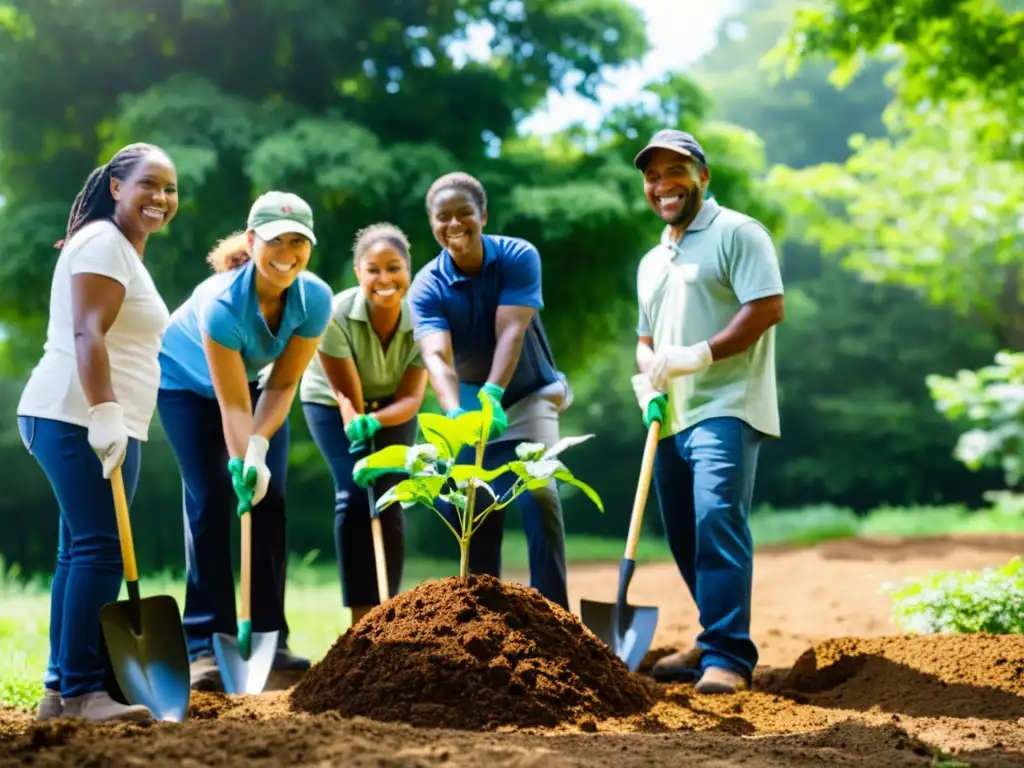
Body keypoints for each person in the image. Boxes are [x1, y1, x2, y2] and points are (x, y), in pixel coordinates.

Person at [16, 143, 179, 722]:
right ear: (115, 187)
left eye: (170, 189)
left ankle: (61, 692)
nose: (160, 198)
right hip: (75, 414)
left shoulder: (122, 251)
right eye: (148, 185)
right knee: (99, 548)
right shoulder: (105, 243)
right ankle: (85, 691)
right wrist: (105, 411)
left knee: (78, 551)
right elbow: (89, 333)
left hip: (97, 418)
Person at [156, 191, 333, 690]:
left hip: (252, 387)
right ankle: (205, 644)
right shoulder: (220, 304)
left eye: (299, 241)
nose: (288, 252)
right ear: (252, 240)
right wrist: (243, 456)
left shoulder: (314, 298)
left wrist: (258, 450)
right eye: (276, 241)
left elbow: (280, 383)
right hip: (184, 386)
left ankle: (270, 640)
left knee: (270, 498)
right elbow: (230, 405)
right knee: (213, 496)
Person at [629, 129, 785, 694]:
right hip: (671, 415)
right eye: (652, 175)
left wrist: (700, 353)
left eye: (675, 171)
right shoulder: (651, 261)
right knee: (684, 536)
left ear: (703, 175)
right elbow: (646, 339)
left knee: (717, 517)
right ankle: (713, 632)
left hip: (726, 404)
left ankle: (727, 657)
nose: (663, 185)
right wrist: (646, 377)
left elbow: (767, 308)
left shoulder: (737, 233)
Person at [407, 171, 573, 610]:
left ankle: (554, 612)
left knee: (538, 492)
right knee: (467, 504)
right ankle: (485, 616)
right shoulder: (426, 285)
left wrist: (494, 396)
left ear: (483, 215)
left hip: (529, 393)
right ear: (432, 223)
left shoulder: (518, 255)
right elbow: (437, 359)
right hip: (466, 399)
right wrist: (456, 413)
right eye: (443, 217)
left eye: (465, 213)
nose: (455, 224)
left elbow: (512, 334)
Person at [299, 223, 428, 625]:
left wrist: (377, 419)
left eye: (394, 268)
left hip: (391, 406)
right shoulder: (334, 314)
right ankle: (360, 620)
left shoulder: (426, 319)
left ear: (409, 271)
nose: (385, 279)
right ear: (358, 273)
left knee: (388, 498)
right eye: (373, 270)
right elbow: (346, 396)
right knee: (356, 494)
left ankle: (388, 613)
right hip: (331, 401)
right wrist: (359, 419)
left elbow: (411, 399)